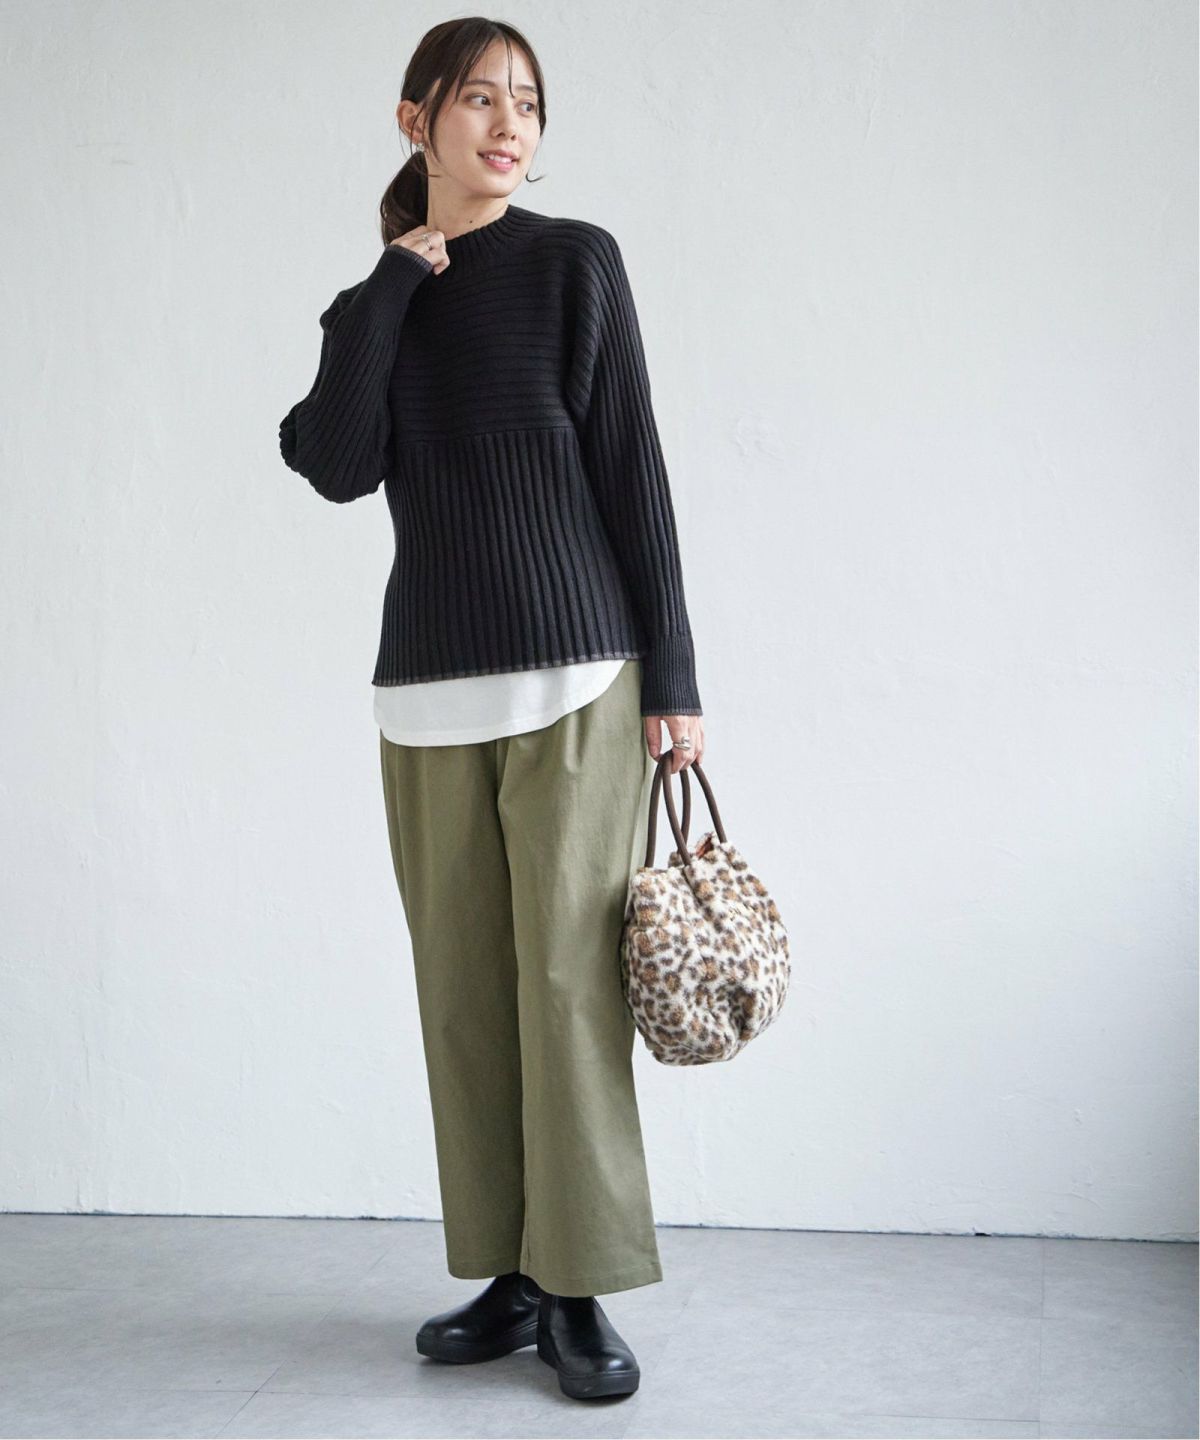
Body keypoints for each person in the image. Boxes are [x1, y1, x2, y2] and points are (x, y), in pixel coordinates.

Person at [278, 16, 705, 1403]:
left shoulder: (577, 263)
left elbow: (633, 466)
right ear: (417, 121)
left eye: (527, 103)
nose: (509, 125)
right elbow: (332, 460)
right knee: (464, 1000)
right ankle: (512, 1272)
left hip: (577, 675)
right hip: (426, 691)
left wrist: (676, 681)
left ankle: (578, 1284)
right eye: (478, 100)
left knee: (568, 987)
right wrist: (396, 280)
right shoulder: (376, 303)